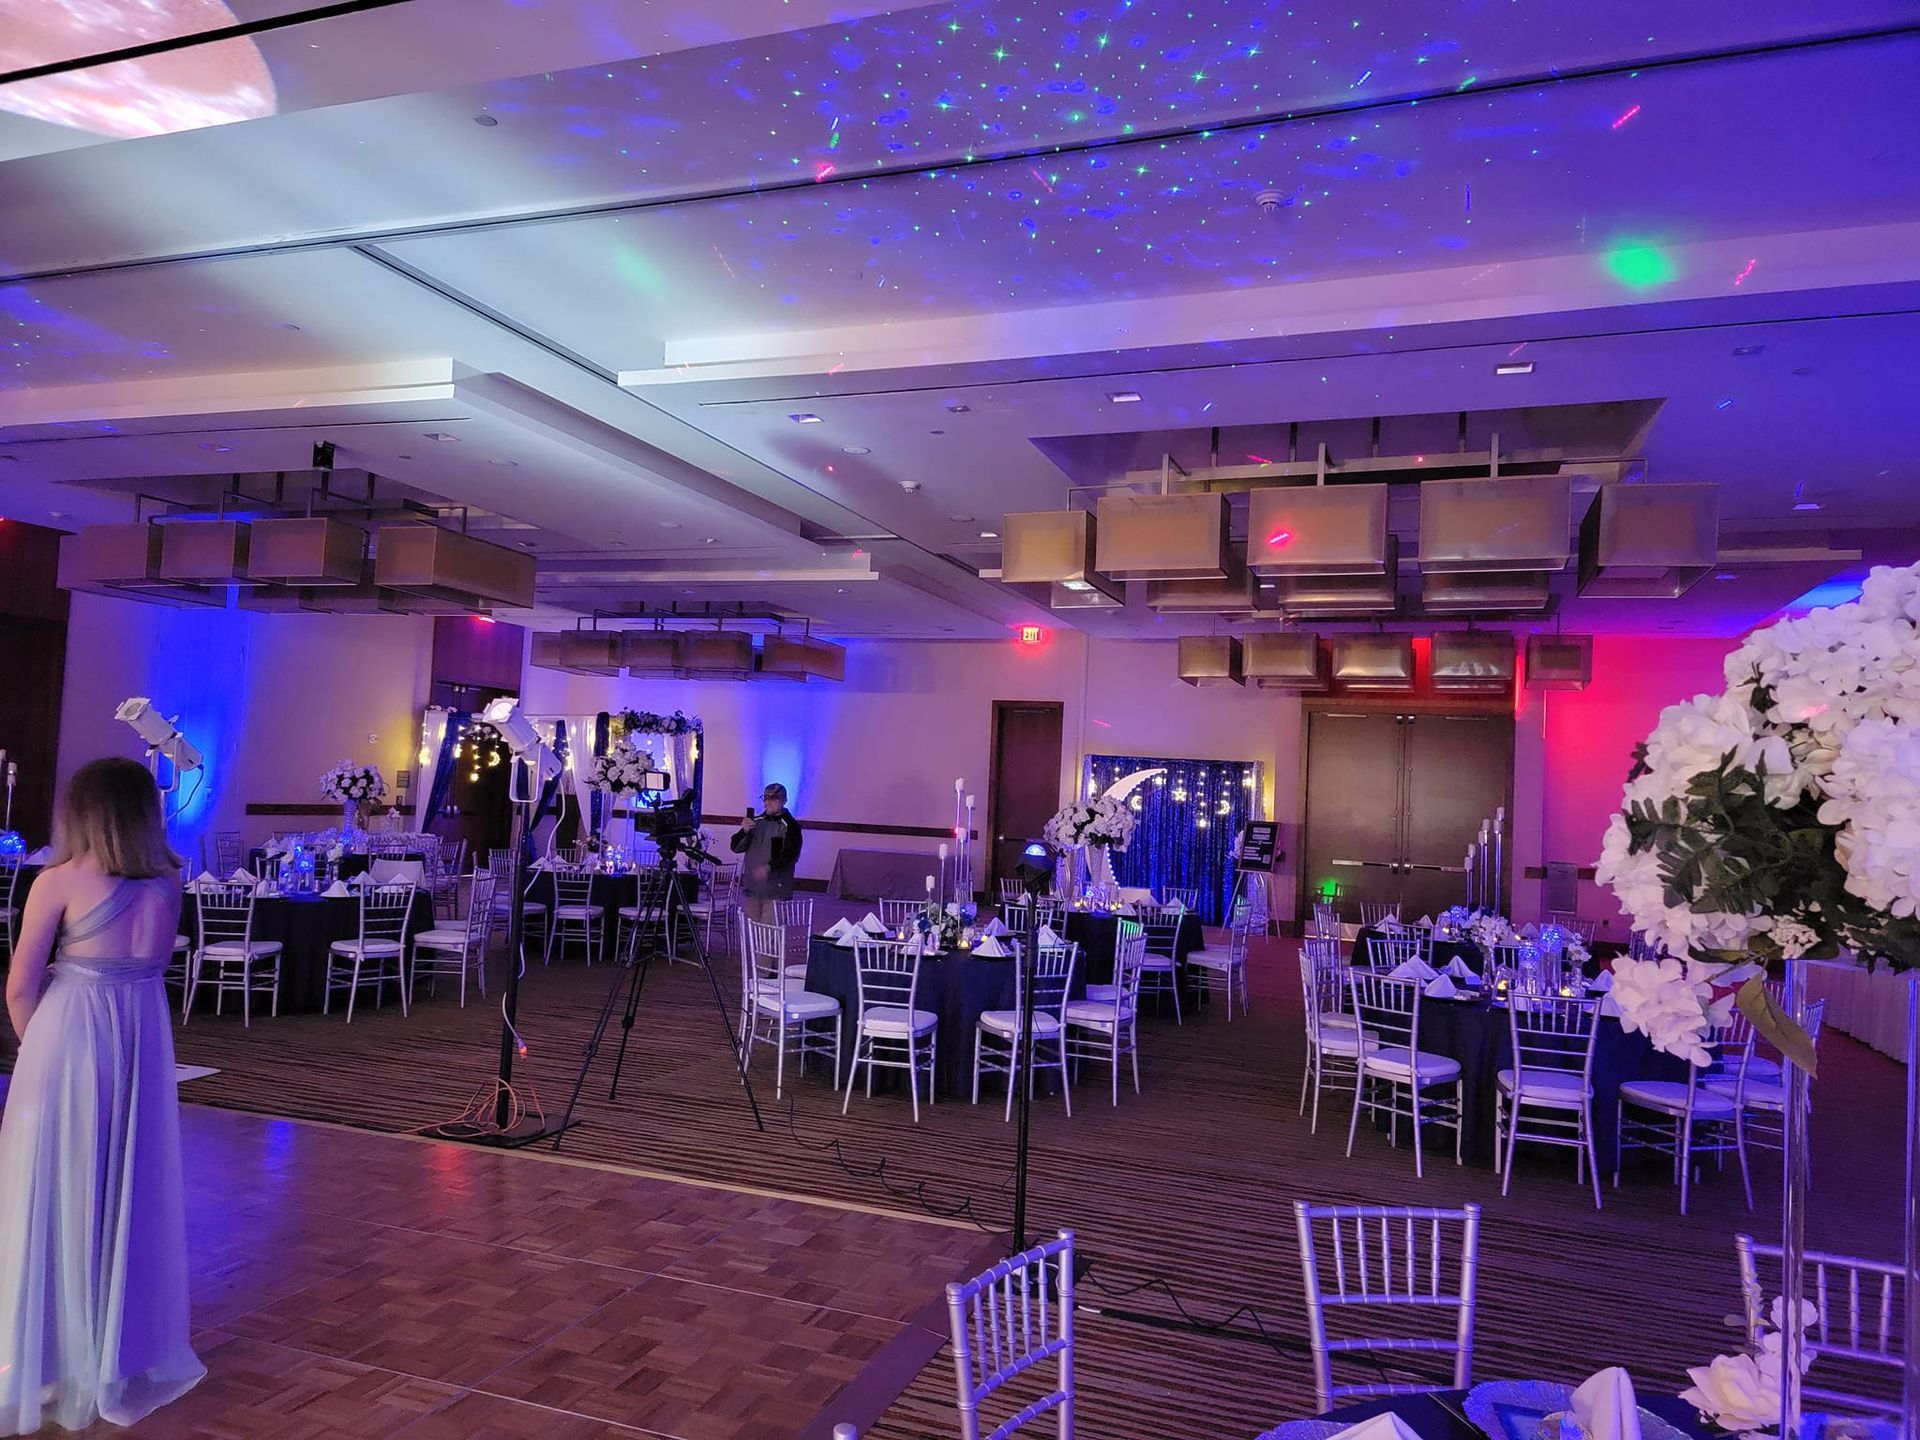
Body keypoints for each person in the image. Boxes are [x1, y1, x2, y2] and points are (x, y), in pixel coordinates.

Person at [0, 758, 206, 1435]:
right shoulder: (171, 884)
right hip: (141, 1043)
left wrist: (38, 1058)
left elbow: (20, 986)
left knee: (52, 1192)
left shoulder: (57, 881)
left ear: (81, 811)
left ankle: (52, 1345)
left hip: (71, 1038)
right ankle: (114, 1345)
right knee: (124, 1192)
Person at [730, 782, 803, 924]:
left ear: (784, 801)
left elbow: (790, 855)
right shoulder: (756, 823)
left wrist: (768, 867)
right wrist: (744, 831)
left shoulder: (790, 826)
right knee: (752, 935)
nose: (768, 802)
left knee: (770, 936)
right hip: (753, 889)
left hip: (776, 891)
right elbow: (736, 847)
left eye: (773, 798)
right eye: (765, 798)